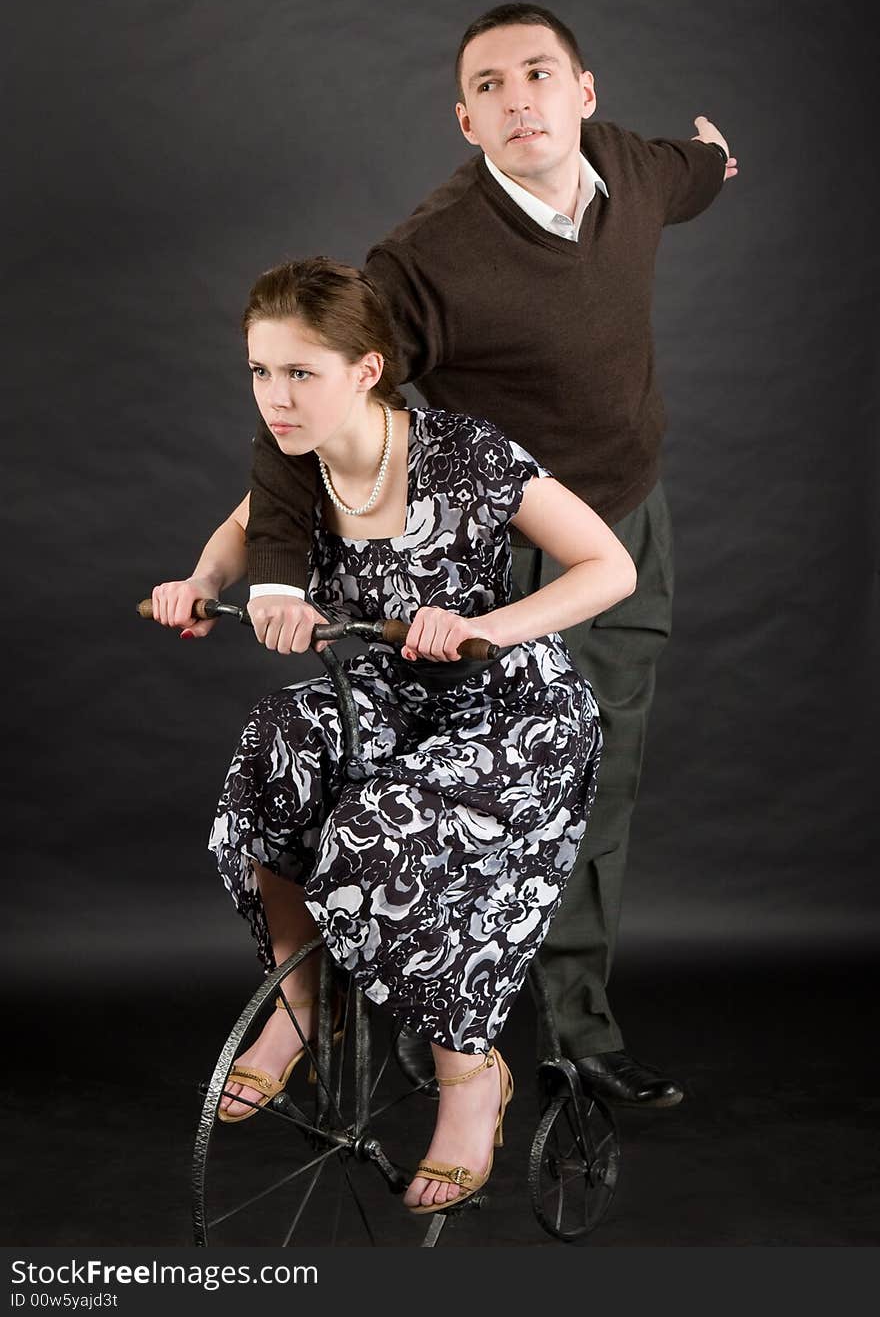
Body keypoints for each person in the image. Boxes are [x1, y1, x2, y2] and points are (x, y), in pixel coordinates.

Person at [238, 3, 738, 1108]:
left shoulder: (633, 168)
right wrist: (265, 570)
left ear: (583, 94)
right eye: (492, 87)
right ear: (465, 119)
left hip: (623, 535)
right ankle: (440, 1018)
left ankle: (577, 1037)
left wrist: (714, 155)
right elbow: (310, 404)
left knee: (592, 787)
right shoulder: (424, 258)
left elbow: (697, 172)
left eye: (539, 75)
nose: (522, 100)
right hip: (489, 562)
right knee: (448, 796)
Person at [151, 257, 636, 1214]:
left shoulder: (464, 454)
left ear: (366, 370)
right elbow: (232, 539)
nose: (277, 397)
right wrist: (199, 585)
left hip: (507, 706)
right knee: (270, 751)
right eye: (260, 372)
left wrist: (485, 626)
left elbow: (608, 565)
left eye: (301, 373)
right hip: (383, 692)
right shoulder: (292, 462)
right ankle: (303, 1001)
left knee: (384, 832)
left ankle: (472, 1080)